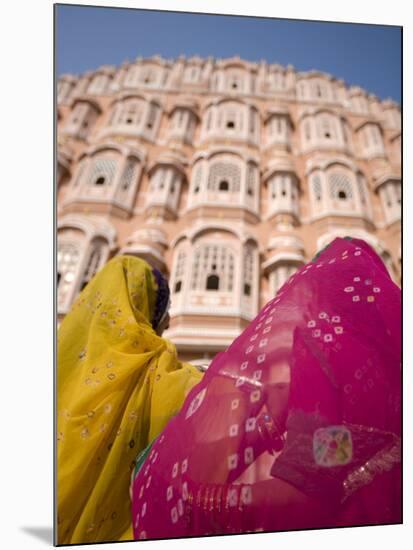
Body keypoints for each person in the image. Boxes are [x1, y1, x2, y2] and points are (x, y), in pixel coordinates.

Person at [130, 237, 401, 539]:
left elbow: (308, 486)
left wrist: (199, 496)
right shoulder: (388, 358)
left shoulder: (326, 360)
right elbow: (335, 450)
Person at [56, 255, 203, 545]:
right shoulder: (157, 373)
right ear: (140, 307)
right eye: (163, 308)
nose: (169, 321)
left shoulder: (57, 364)